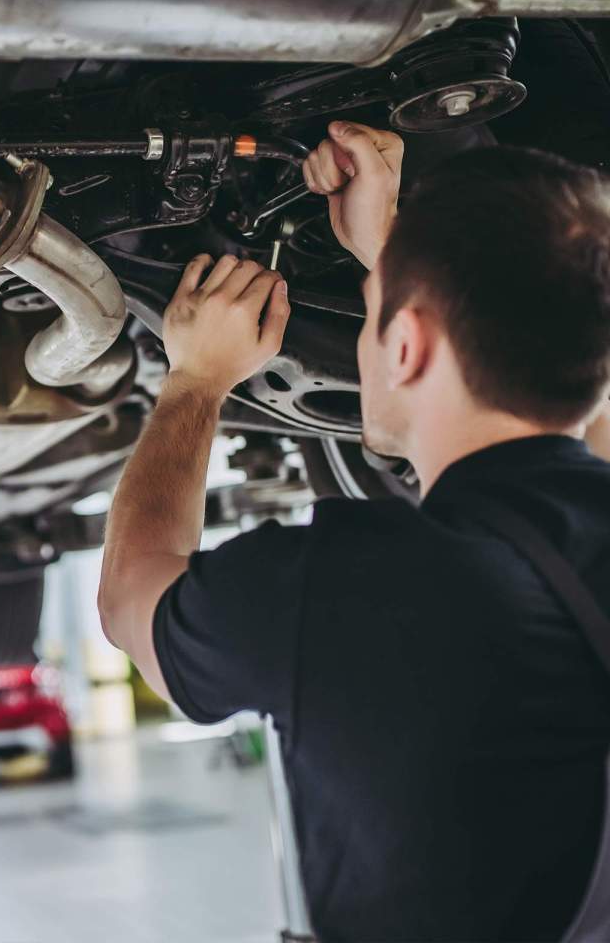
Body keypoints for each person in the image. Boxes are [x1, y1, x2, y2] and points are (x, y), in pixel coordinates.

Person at [98, 120, 610, 942]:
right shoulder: (356, 583)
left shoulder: (349, 589)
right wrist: (400, 258)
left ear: (405, 344)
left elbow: (131, 600)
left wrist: (194, 377)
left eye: (370, 317)